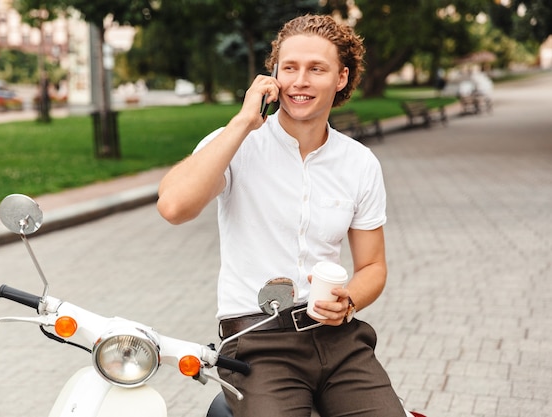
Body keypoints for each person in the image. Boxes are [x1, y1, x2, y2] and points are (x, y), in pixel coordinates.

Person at [157, 14, 405, 417]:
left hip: (339, 341)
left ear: (340, 78)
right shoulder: (237, 143)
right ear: (272, 76)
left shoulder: (359, 163)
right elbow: (173, 207)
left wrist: (349, 301)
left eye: (316, 69)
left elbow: (374, 266)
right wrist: (243, 123)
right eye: (289, 68)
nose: (300, 81)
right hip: (258, 343)